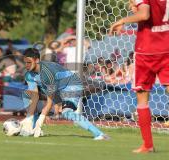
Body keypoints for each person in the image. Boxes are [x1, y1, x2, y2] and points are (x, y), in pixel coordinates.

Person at [109, 0, 169, 153]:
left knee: (142, 98)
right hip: (166, 47)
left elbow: (144, 14)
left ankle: (147, 145)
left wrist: (123, 20)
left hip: (147, 51)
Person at [20, 48, 109, 140]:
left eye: (29, 62)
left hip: (71, 84)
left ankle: (100, 134)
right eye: (25, 62)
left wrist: (42, 118)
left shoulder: (47, 73)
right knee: (32, 104)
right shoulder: (29, 75)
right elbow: (34, 96)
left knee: (67, 113)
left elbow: (49, 103)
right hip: (57, 88)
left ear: (37, 60)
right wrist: (28, 117)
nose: (26, 65)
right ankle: (33, 129)